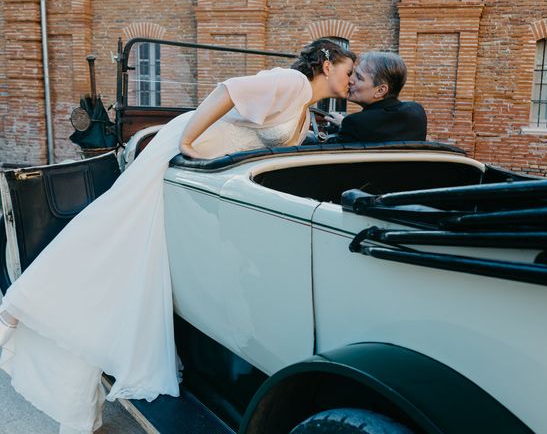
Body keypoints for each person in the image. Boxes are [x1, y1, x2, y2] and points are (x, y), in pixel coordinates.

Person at [0, 38, 355, 434]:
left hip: (210, 164)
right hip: (185, 146)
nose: (352, 78)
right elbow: (227, 91)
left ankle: (77, 392)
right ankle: (19, 306)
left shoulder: (305, 110)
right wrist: (187, 142)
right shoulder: (290, 82)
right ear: (327, 65)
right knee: (115, 232)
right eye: (348, 69)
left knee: (130, 257)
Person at [322, 51, 426, 143]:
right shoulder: (417, 112)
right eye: (353, 73)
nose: (350, 80)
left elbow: (325, 152)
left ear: (380, 91)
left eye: (359, 77)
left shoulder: (355, 123)